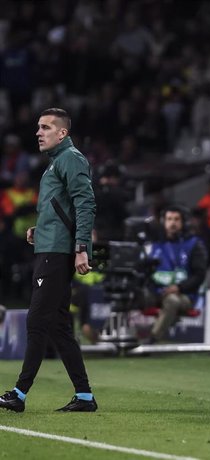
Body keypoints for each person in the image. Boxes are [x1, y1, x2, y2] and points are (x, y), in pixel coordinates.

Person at [0, 108, 97, 413]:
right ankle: (84, 396)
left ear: (62, 133)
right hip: (49, 246)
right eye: (38, 127)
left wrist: (82, 247)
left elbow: (86, 202)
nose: (38, 133)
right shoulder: (57, 163)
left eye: (45, 127)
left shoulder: (71, 159)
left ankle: (19, 393)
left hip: (57, 253)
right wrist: (39, 229)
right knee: (58, 325)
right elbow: (63, 208)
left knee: (37, 319)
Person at [145, 205, 208, 343]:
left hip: (184, 295)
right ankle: (117, 336)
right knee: (133, 294)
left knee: (172, 300)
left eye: (176, 219)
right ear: (163, 222)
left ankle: (152, 339)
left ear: (183, 222)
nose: (172, 223)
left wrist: (179, 288)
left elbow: (199, 275)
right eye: (169, 219)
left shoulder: (194, 244)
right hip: (157, 291)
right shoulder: (155, 244)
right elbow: (146, 271)